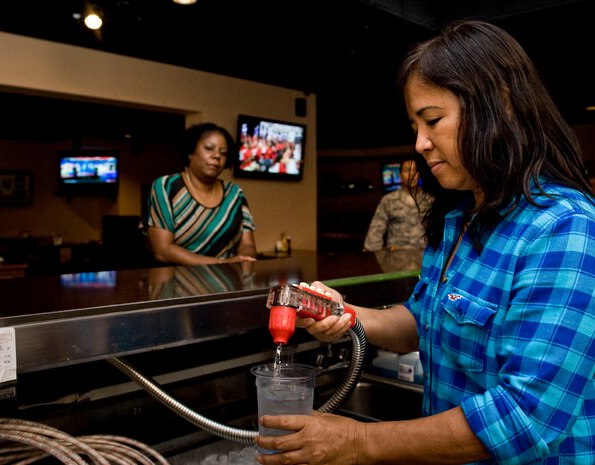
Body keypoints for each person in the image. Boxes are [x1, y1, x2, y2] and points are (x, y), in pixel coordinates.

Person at [255, 20, 595, 465]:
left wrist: (357, 442)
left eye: (433, 120)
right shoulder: (461, 218)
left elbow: (524, 418)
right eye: (416, 124)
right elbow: (422, 321)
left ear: (501, 105)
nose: (421, 143)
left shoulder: (565, 228)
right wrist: (343, 313)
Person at [142, 122, 258, 266]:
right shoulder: (166, 187)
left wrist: (244, 258)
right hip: (176, 284)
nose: (217, 156)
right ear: (190, 151)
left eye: (223, 153)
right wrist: (222, 263)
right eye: (209, 148)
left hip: (228, 283)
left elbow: (248, 245)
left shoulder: (234, 193)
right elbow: (162, 251)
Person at [363, 158, 430, 251]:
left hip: (424, 254)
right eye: (407, 170)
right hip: (397, 254)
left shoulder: (429, 200)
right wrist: (373, 253)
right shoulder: (389, 200)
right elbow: (377, 228)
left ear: (419, 174)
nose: (411, 174)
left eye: (414, 170)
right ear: (400, 175)